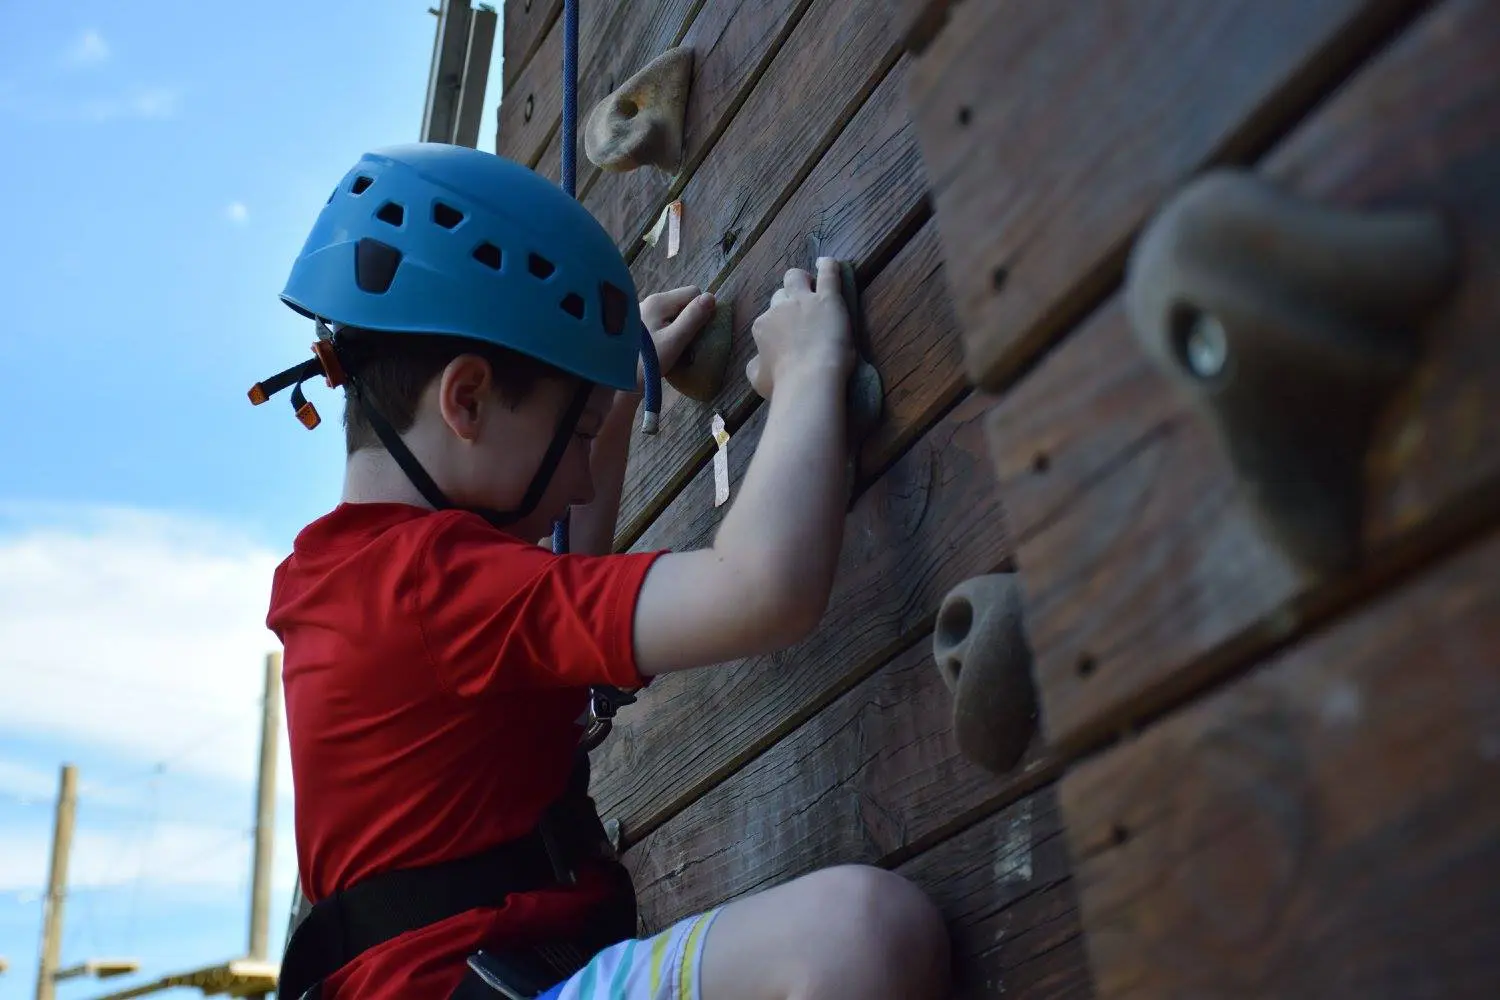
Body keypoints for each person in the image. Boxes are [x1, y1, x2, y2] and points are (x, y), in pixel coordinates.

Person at [255, 143, 951, 1000]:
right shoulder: (424, 585)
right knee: (860, 935)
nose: (585, 477)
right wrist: (808, 373)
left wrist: (608, 403)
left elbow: (547, 606)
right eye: (574, 440)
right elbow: (761, 591)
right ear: (465, 401)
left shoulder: (349, 580)